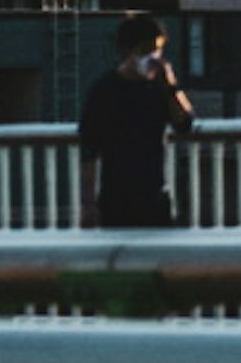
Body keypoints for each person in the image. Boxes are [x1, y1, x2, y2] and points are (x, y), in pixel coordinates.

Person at [77, 12, 194, 229]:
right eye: (145, 50)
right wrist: (88, 204)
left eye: (157, 50)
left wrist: (170, 85)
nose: (153, 57)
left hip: (156, 197)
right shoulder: (104, 91)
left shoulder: (159, 88)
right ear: (126, 51)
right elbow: (89, 151)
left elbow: (184, 124)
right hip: (116, 200)